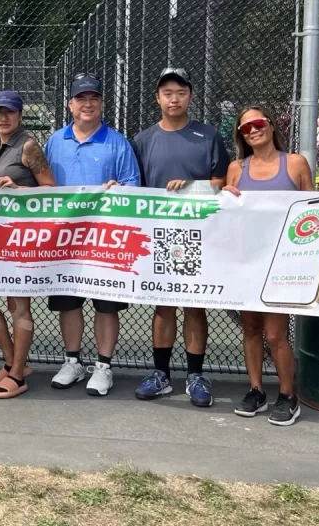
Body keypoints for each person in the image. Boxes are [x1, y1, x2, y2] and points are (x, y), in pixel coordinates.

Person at [132, 67, 230, 407]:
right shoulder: (143, 140)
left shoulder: (208, 135)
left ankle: (194, 375)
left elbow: (223, 180)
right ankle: (161, 374)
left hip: (198, 232)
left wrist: (193, 188)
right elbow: (135, 187)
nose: (174, 98)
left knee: (194, 304)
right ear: (158, 98)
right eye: (167, 93)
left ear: (190, 96)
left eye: (181, 92)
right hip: (158, 233)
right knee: (164, 305)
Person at [43, 74, 141, 396]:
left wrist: (119, 189)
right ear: (70, 104)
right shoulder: (55, 141)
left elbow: (133, 186)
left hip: (104, 242)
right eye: (80, 98)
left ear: (101, 103)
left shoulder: (117, 142)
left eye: (93, 98)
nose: (87, 104)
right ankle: (72, 361)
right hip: (65, 241)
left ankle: (103, 367)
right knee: (69, 303)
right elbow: (42, 185)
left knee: (106, 306)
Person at [222, 106, 312, 426]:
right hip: (247, 261)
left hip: (281, 262)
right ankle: (256, 390)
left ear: (271, 126)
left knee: (275, 333)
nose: (253, 130)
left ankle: (288, 395)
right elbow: (226, 212)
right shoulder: (237, 168)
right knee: (250, 329)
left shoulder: (296, 163)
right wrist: (225, 196)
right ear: (241, 136)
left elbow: (314, 210)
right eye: (246, 128)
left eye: (258, 124)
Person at [0, 90, 56, 399]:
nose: (3, 117)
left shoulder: (29, 145)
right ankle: (12, 362)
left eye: (9, 112)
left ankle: (18, 376)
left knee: (19, 306)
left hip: (23, 241)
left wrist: (18, 188)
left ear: (20, 115)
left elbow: (50, 190)